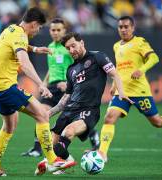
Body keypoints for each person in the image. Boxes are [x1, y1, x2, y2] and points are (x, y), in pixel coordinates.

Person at [0, 7, 76, 177]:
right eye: (39, 27)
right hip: (7, 87)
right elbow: (24, 63)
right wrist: (41, 85)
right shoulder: (20, 35)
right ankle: (52, 161)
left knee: (9, 126)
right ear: (34, 24)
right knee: (42, 114)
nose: (38, 30)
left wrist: (35, 49)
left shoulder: (10, 30)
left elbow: (16, 46)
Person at [98, 16, 162, 162]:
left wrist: (142, 69)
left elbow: (154, 58)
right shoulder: (116, 46)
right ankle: (102, 153)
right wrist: (115, 84)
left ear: (133, 28)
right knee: (109, 117)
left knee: (157, 122)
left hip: (140, 91)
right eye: (120, 27)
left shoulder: (139, 42)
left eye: (126, 26)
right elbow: (119, 67)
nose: (123, 29)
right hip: (123, 91)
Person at [34, 32, 133, 175]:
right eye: (68, 48)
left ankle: (62, 161)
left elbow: (115, 74)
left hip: (89, 110)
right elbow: (65, 98)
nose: (71, 50)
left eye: (73, 45)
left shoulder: (98, 56)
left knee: (68, 132)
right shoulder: (71, 70)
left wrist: (121, 92)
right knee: (51, 144)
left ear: (82, 43)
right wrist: (50, 112)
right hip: (69, 110)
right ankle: (57, 164)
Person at [21, 18, 100, 157]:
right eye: (53, 30)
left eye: (59, 30)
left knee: (73, 118)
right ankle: (37, 148)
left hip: (67, 89)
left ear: (64, 31)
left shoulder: (69, 49)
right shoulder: (50, 47)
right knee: (41, 113)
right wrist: (44, 83)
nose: (55, 33)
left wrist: (68, 83)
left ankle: (91, 132)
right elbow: (51, 69)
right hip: (52, 87)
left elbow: (78, 68)